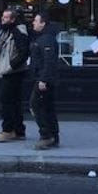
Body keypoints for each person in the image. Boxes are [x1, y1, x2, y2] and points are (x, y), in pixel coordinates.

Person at [0, 7, 30, 142]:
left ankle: (8, 130)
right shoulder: (5, 31)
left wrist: (11, 66)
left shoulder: (18, 32)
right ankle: (19, 130)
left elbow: (24, 52)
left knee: (5, 99)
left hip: (13, 72)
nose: (2, 19)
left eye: (5, 17)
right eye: (2, 17)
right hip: (8, 70)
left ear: (13, 19)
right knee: (14, 101)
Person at [29, 11, 60, 150]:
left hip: (44, 80)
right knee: (47, 108)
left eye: (36, 21)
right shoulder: (44, 38)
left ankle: (46, 135)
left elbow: (49, 61)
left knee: (35, 105)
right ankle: (53, 136)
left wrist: (43, 79)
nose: (33, 23)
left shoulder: (46, 39)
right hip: (44, 78)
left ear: (43, 23)